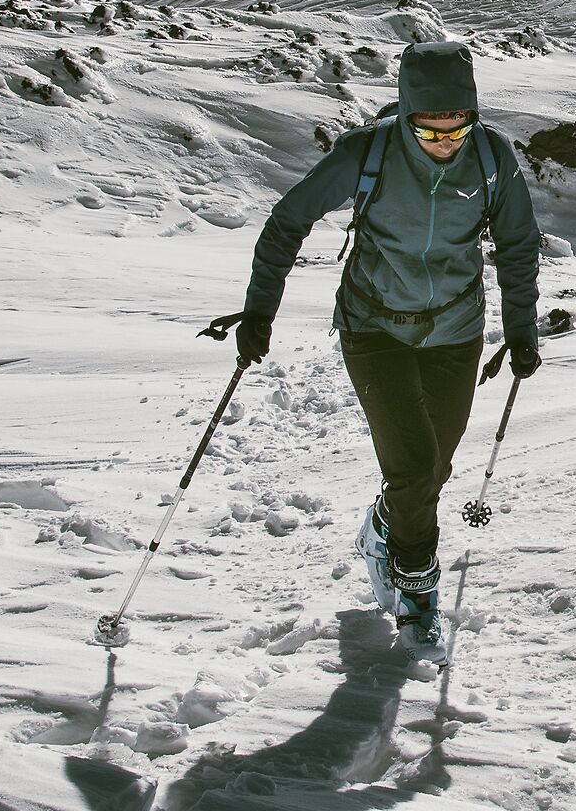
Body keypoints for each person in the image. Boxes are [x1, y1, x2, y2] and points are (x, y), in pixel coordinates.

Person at [232, 41, 541, 659]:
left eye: (457, 129)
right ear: (405, 115)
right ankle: (416, 595)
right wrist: (259, 310)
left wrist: (521, 327)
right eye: (429, 131)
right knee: (412, 467)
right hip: (372, 326)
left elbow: (517, 243)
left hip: (455, 327)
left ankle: (383, 528)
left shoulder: (491, 156)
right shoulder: (366, 152)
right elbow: (286, 220)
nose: (444, 142)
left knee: (433, 470)